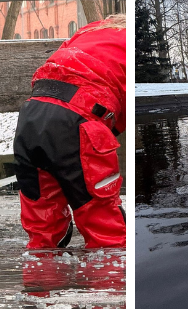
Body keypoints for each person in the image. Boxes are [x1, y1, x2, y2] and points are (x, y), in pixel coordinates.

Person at [13, 15, 126, 248]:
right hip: (81, 119)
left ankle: (39, 279)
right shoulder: (128, 40)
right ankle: (110, 280)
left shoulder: (87, 31)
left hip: (31, 115)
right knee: (105, 230)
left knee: (42, 227)